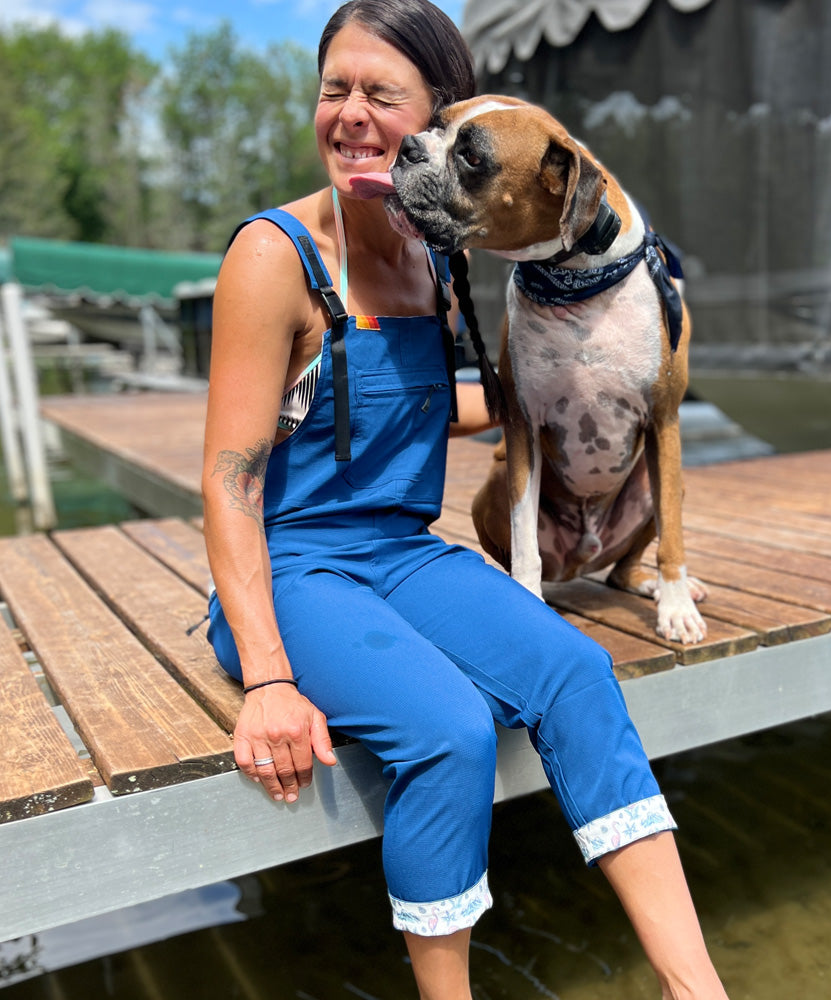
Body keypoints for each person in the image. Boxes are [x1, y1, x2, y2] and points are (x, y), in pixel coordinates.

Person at [201, 1, 729, 997]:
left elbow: (431, 402)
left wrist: (597, 365)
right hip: (291, 568)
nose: (353, 115)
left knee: (577, 672)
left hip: (402, 556)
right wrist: (268, 676)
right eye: (335, 89)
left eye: (383, 95)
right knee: (449, 730)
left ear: (441, 116)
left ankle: (695, 985)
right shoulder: (274, 257)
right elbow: (228, 481)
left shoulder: (438, 253)